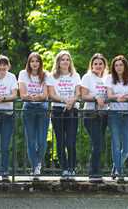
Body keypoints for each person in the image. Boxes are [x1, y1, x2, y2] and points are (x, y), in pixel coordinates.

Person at [47, 50, 81, 178]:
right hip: (57, 110)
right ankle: (64, 168)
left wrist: (72, 101)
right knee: (60, 141)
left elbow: (78, 92)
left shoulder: (75, 75)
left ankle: (72, 167)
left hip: (72, 110)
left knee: (71, 141)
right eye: (62, 59)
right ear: (58, 62)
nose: (65, 62)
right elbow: (51, 94)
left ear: (70, 62)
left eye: (67, 59)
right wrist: (64, 100)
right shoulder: (52, 77)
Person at [18, 52, 49, 179]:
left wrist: (37, 97)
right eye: (32, 61)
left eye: (37, 61)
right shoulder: (23, 74)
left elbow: (45, 95)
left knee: (42, 141)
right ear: (29, 63)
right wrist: (32, 97)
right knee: (31, 140)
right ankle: (35, 167)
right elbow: (22, 94)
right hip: (28, 108)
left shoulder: (45, 75)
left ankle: (38, 162)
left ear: (40, 63)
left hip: (42, 108)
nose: (35, 64)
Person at [106, 55, 128, 181]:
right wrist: (118, 97)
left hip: (127, 114)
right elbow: (109, 95)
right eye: (116, 65)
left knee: (127, 149)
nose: (118, 67)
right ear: (114, 67)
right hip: (114, 114)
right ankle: (119, 172)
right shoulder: (109, 78)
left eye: (121, 65)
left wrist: (124, 97)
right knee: (116, 145)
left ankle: (115, 167)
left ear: (125, 66)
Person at [81, 53, 109, 182]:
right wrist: (95, 98)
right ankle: (93, 172)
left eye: (100, 64)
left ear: (104, 65)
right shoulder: (87, 77)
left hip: (104, 114)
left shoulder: (107, 78)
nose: (98, 66)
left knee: (99, 143)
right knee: (97, 142)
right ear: (91, 65)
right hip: (90, 113)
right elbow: (83, 96)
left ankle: (97, 170)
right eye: (95, 64)